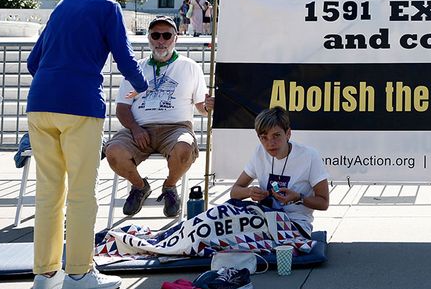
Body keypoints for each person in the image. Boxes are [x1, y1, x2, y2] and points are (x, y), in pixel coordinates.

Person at [25, 0, 149, 289]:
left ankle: (44, 275)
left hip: (39, 104)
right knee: (81, 192)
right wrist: (143, 85)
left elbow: (33, 61)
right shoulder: (109, 10)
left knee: (49, 192)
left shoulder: (64, 5)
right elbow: (123, 57)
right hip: (80, 105)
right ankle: (79, 273)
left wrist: (55, 82)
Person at [104, 16, 214, 218]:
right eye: (156, 35)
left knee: (185, 147)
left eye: (166, 35)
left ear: (175, 38)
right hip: (138, 128)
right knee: (112, 151)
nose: (161, 40)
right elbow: (122, 108)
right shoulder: (137, 67)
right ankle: (139, 186)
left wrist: (208, 106)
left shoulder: (190, 67)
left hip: (176, 128)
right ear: (149, 38)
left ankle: (170, 187)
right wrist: (135, 129)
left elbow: (201, 107)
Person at [230, 107, 331, 235]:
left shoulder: (309, 156)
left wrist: (298, 198)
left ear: (288, 133)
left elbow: (324, 203)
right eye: (264, 137)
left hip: (296, 223)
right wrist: (250, 192)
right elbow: (234, 192)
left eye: (276, 135)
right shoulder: (259, 152)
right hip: (263, 219)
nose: (270, 143)